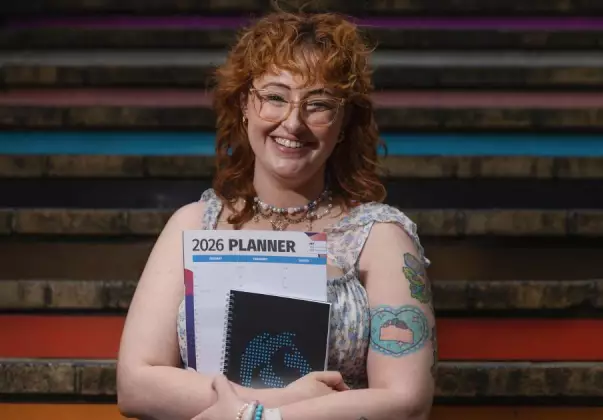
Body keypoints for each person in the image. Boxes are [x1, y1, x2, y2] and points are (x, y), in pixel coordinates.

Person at [116, 10, 437, 420]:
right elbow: (135, 385)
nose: (293, 122)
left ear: (343, 123)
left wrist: (264, 418)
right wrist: (267, 406)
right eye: (275, 97)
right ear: (244, 104)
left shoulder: (380, 237)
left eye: (318, 105)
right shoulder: (192, 224)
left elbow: (407, 403)